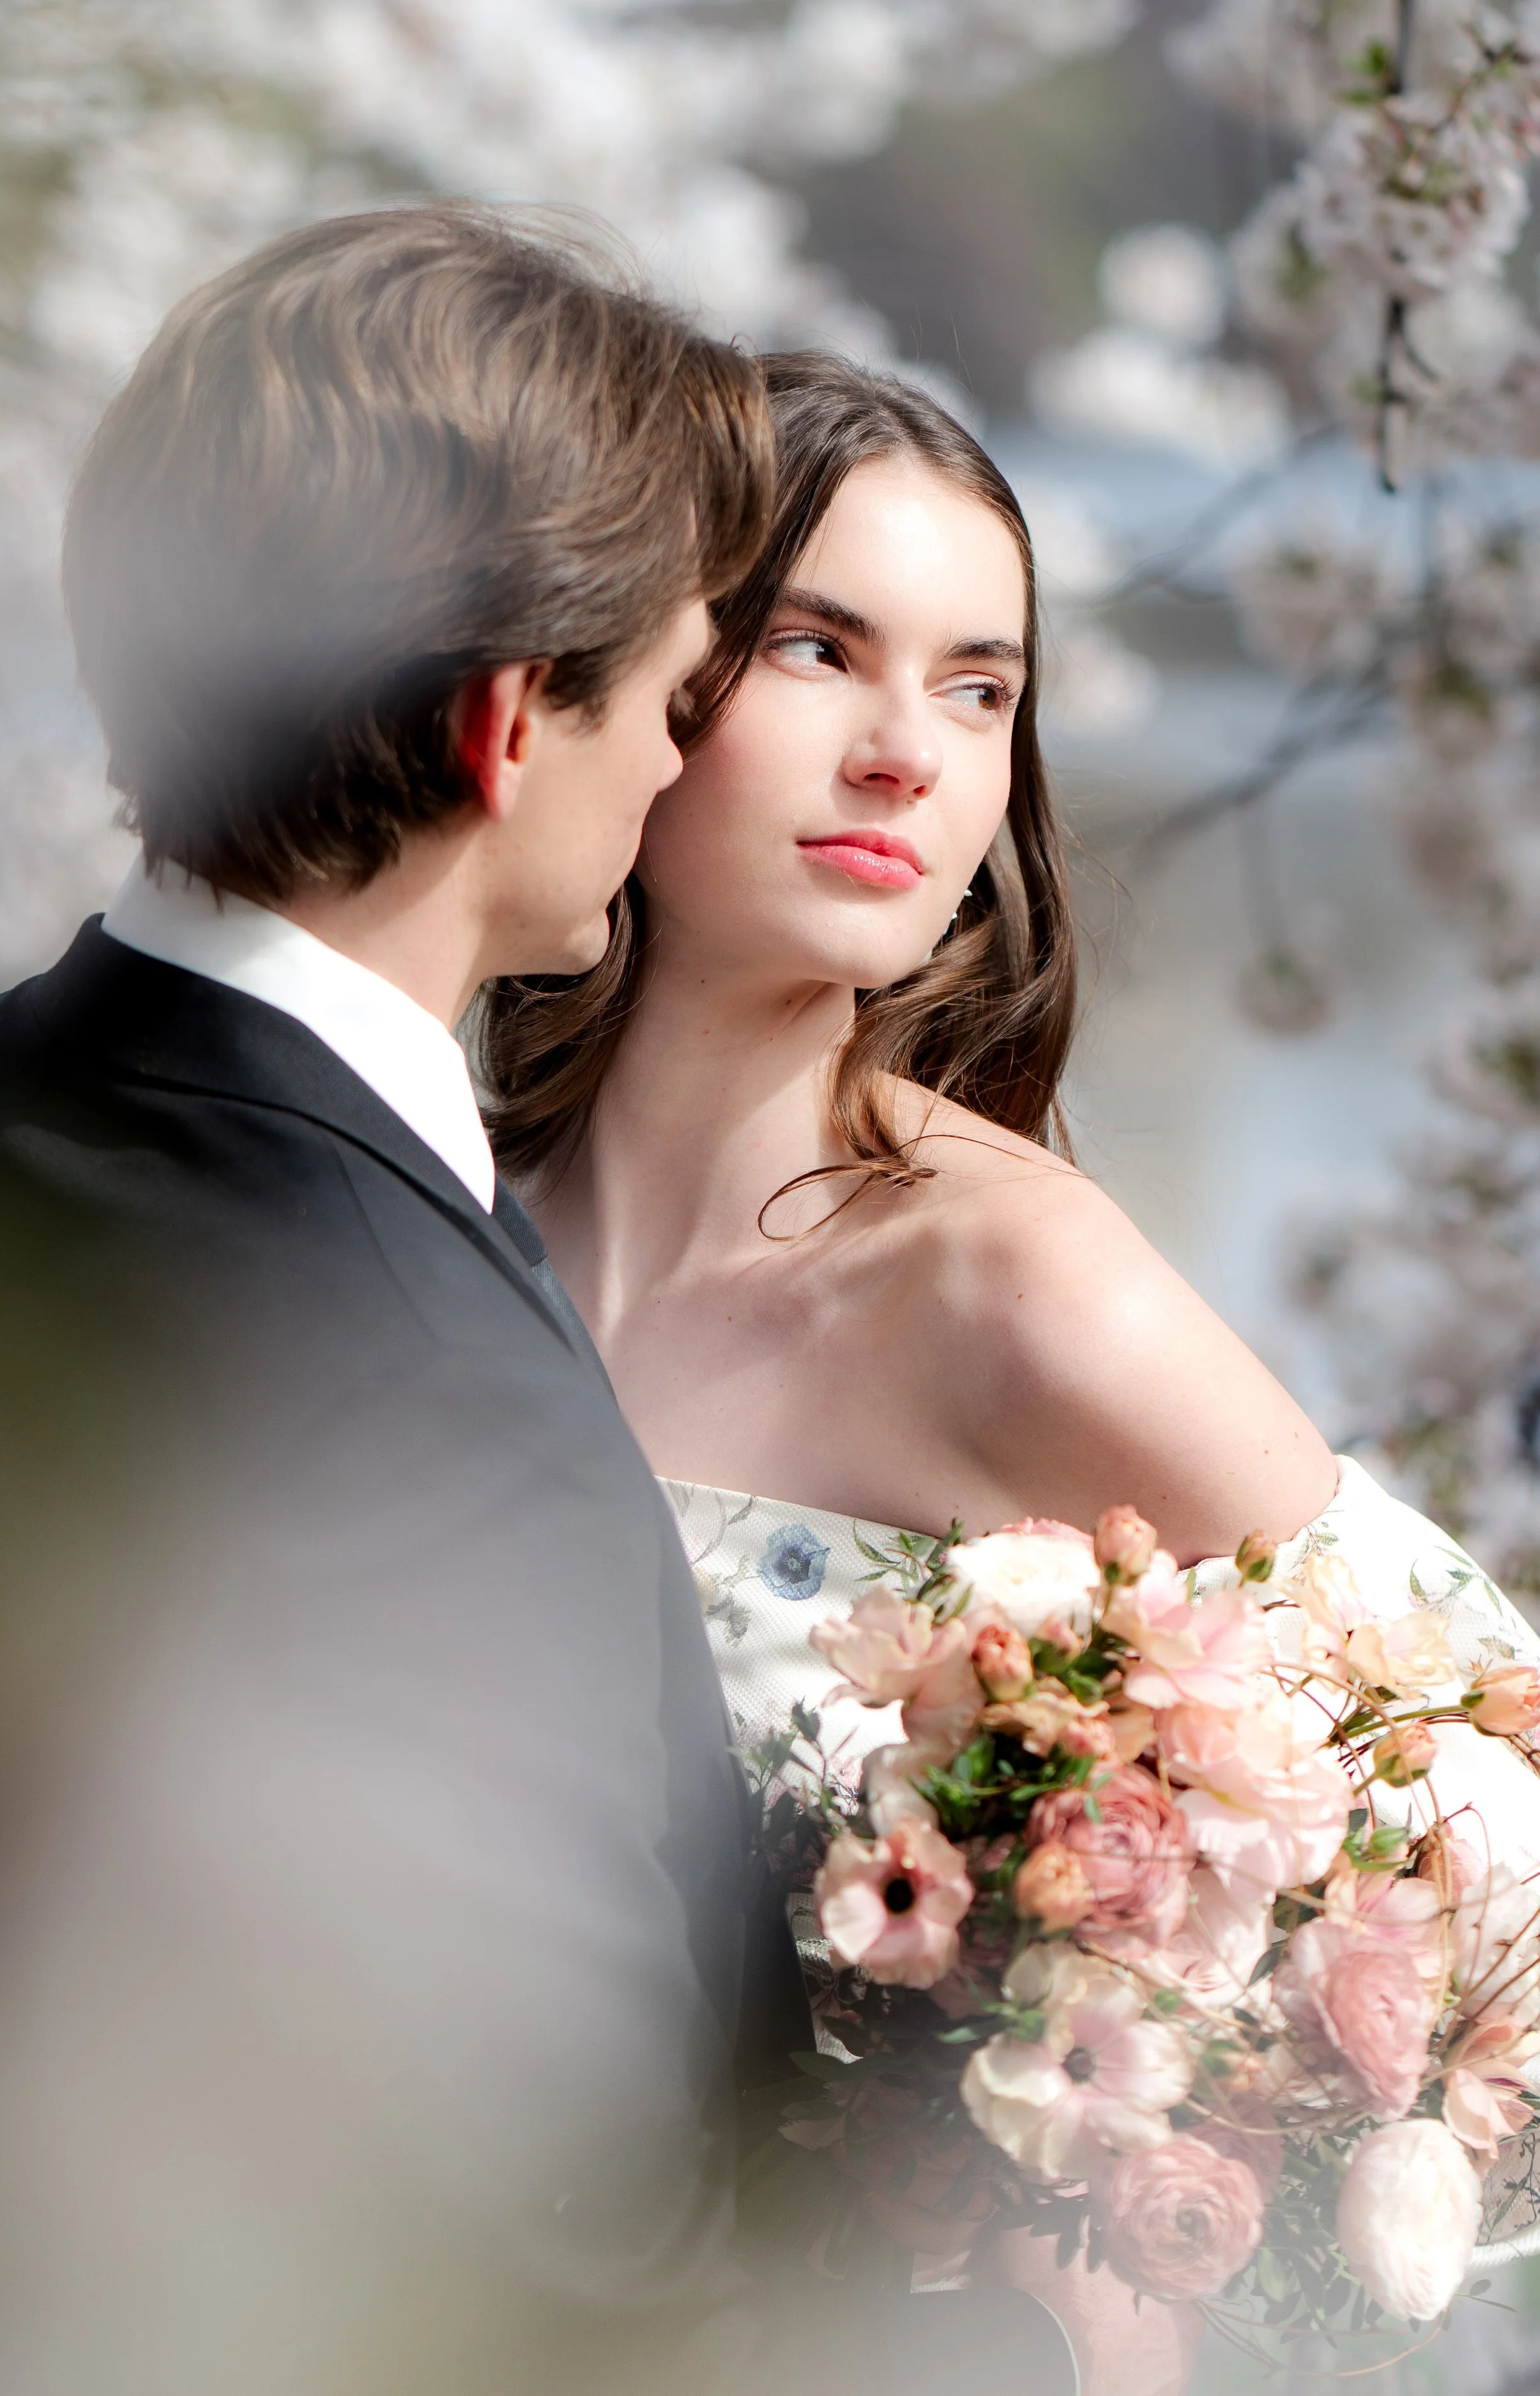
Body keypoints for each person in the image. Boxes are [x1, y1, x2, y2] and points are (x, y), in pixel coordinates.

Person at [482, 351, 1540, 2392]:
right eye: (818, 649)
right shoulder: (434, 1222)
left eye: (979, 686)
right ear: (635, 672)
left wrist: (1174, 2157)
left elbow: (1492, 1802)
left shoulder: (1022, 1290)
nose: (907, 753)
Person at [0, 204, 775, 2396]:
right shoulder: (417, 1400)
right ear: (513, 724)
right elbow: (528, 2259)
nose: (688, 769)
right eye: (678, 698)